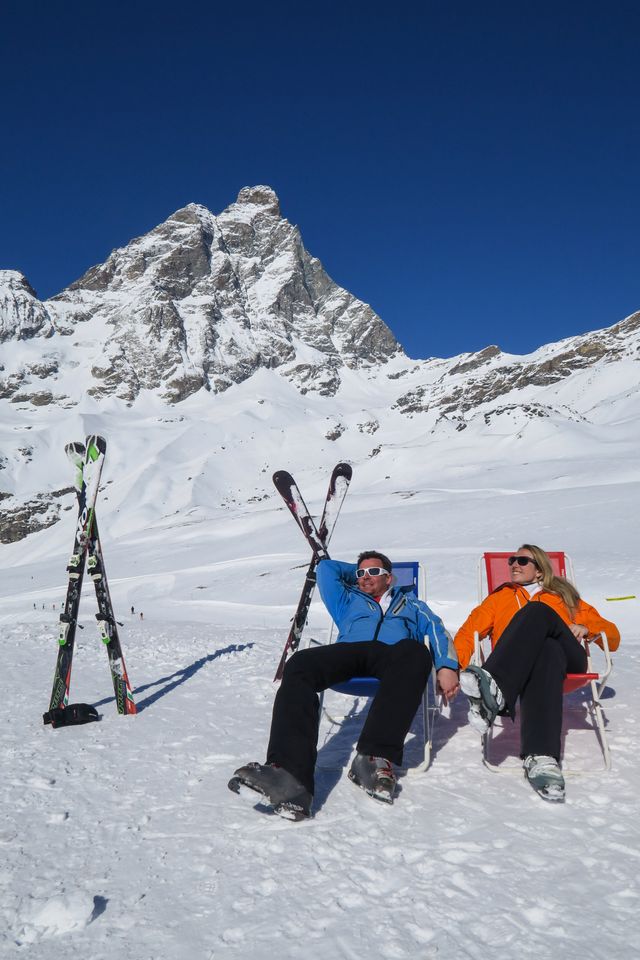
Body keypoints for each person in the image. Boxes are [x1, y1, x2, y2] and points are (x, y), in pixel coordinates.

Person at [229, 551, 459, 820]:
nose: (364, 578)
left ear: (390, 577)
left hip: (392, 656)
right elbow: (326, 569)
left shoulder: (412, 604)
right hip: (349, 653)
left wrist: (447, 666)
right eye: (360, 574)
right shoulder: (347, 599)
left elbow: (438, 631)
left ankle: (372, 758)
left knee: (416, 652)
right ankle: (289, 776)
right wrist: (362, 574)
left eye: (373, 572)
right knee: (300, 663)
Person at [455, 544, 620, 802]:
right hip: (535, 666)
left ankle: (495, 689)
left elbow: (612, 633)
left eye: (522, 560)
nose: (514, 565)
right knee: (547, 650)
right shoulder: (499, 598)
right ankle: (542, 757)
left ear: (541, 570)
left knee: (538, 612)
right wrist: (454, 668)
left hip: (571, 662)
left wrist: (586, 628)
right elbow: (468, 632)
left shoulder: (563, 597)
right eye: (512, 560)